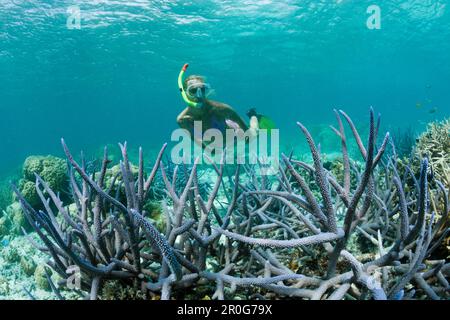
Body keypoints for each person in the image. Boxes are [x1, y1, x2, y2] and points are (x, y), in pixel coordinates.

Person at [176, 64, 249, 147]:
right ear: (185, 93)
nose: (199, 95)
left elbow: (241, 123)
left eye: (202, 90)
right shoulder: (183, 120)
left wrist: (248, 137)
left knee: (254, 131)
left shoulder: (220, 108)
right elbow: (193, 137)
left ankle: (253, 116)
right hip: (218, 148)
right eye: (193, 91)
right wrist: (207, 149)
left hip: (235, 137)